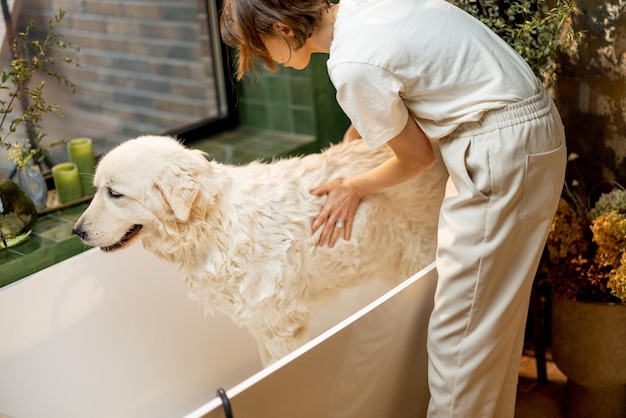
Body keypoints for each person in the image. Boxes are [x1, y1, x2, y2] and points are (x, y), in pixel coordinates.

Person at [220, 0, 567, 416]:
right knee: (489, 330)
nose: (263, 64)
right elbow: (397, 87)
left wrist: (354, 185)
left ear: (282, 28)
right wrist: (356, 141)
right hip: (529, 136)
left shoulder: (350, 65)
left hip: (500, 152)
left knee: (458, 339)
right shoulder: (363, 9)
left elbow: (416, 157)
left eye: (259, 49)